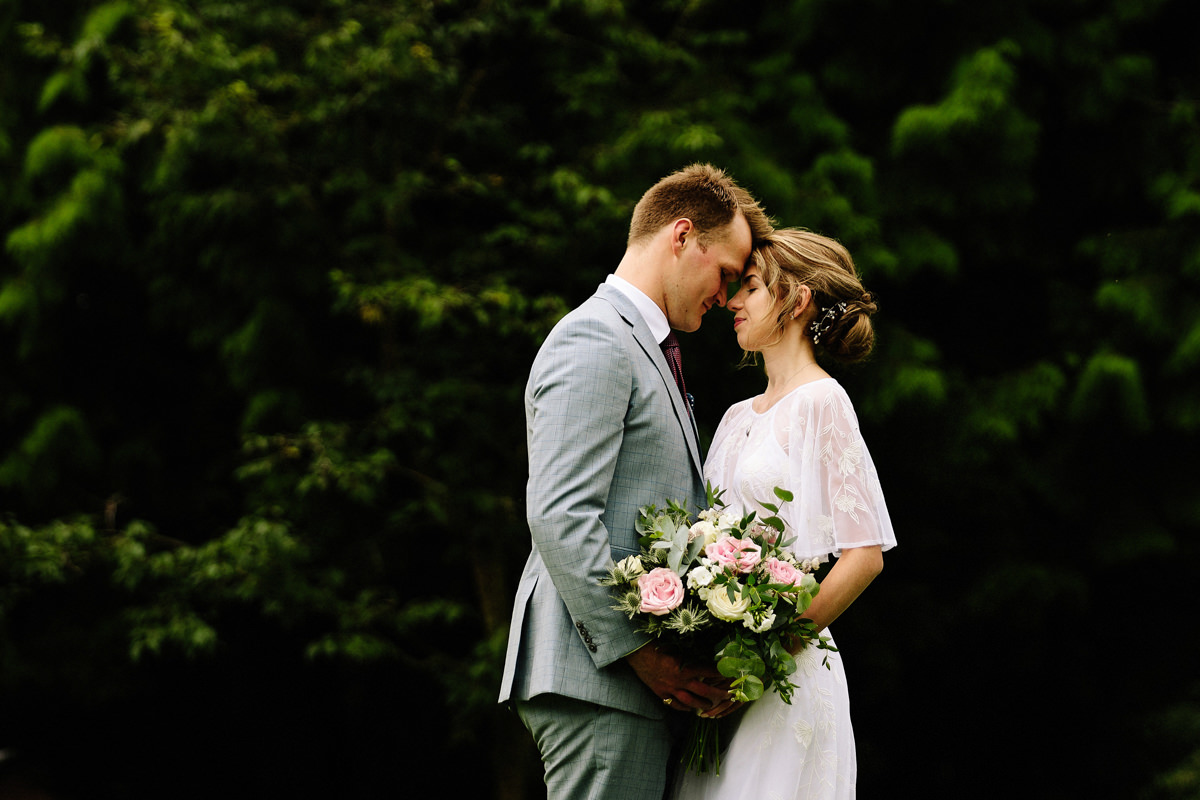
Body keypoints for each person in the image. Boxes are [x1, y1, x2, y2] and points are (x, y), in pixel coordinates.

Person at [498, 164, 774, 799]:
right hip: (600, 678)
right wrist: (646, 657)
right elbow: (561, 513)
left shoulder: (647, 346)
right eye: (726, 273)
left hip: (622, 685)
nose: (728, 295)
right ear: (681, 236)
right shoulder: (595, 338)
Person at [672, 228, 897, 800]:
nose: (733, 302)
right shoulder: (733, 416)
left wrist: (766, 656)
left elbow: (863, 556)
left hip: (784, 675)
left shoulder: (823, 402)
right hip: (724, 679)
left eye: (750, 287)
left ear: (796, 302)